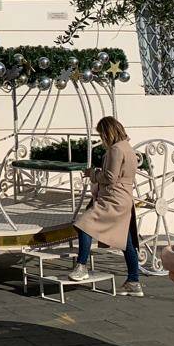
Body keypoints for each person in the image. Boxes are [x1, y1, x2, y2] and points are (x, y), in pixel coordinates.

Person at [70, 116, 143, 297]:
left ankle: (81, 266)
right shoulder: (128, 148)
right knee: (126, 242)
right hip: (124, 199)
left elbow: (110, 177)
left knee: (84, 225)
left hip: (113, 199)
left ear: (107, 131)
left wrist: (92, 173)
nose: (101, 138)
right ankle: (134, 282)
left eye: (101, 133)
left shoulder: (116, 150)